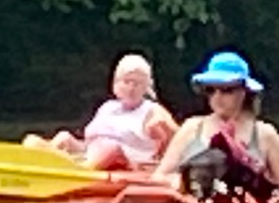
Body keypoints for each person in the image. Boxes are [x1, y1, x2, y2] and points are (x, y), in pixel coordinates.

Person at [152, 51, 279, 203]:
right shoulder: (191, 127)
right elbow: (160, 176)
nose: (217, 97)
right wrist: (177, 182)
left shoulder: (265, 134)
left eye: (226, 90)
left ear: (244, 92)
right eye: (211, 90)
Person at [27, 53, 177, 172]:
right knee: (50, 138)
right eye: (127, 82)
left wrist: (166, 130)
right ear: (116, 84)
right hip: (89, 155)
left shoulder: (153, 110)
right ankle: (46, 166)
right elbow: (89, 141)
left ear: (146, 87)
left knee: (111, 149)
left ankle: (77, 172)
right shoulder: (108, 107)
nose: (131, 88)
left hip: (127, 164)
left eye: (137, 83)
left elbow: (179, 139)